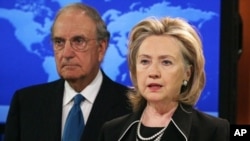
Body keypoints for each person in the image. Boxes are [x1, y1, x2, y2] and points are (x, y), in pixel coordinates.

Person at [4, 3, 132, 141]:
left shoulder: (132, 106)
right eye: (59, 42)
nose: (66, 53)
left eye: (78, 41)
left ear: (101, 48)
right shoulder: (25, 104)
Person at [98, 17, 230, 141]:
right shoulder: (112, 132)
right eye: (145, 61)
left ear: (187, 73)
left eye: (166, 62)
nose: (153, 73)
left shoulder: (213, 131)